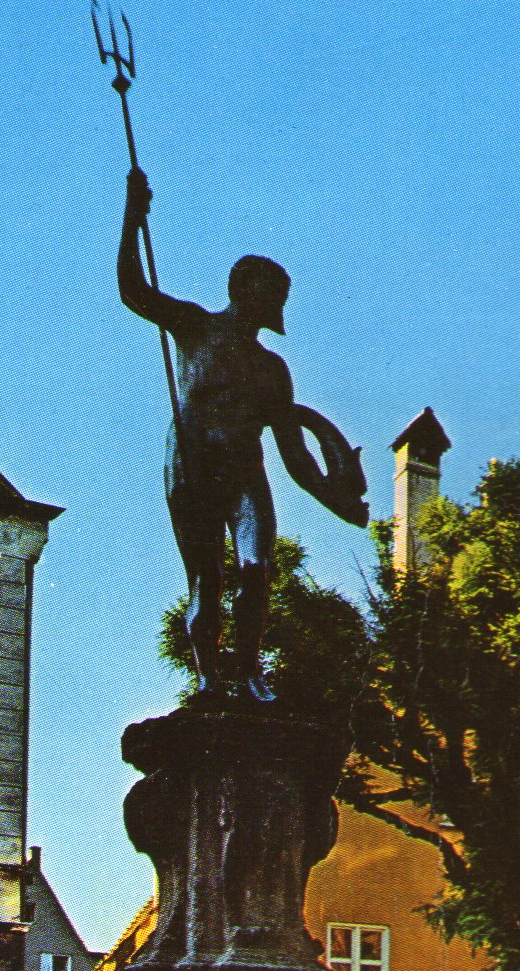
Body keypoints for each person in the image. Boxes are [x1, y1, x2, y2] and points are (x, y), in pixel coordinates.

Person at [118, 166, 366, 701]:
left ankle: (250, 671)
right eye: (273, 292)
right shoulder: (195, 326)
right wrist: (132, 217)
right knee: (207, 581)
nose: (279, 303)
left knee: (257, 569)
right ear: (244, 289)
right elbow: (134, 291)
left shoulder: (273, 370)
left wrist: (337, 499)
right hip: (194, 469)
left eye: (282, 294)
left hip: (245, 476)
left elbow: (296, 457)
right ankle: (210, 677)